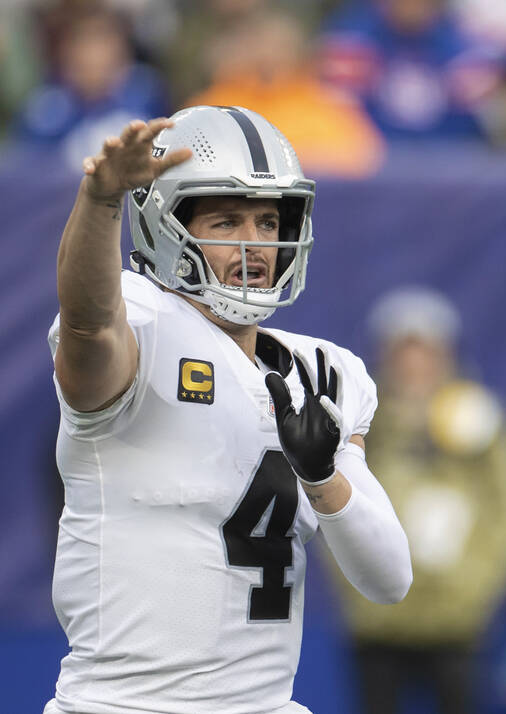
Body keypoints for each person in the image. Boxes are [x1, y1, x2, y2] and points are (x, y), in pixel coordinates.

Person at [47, 107, 414, 714]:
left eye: (269, 221)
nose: (256, 243)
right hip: (119, 705)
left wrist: (323, 480)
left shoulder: (325, 374)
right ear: (165, 228)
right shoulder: (142, 329)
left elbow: (388, 580)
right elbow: (88, 317)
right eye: (226, 220)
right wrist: (100, 201)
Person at [337, 287, 506, 714]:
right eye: (404, 351)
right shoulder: (362, 422)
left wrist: (474, 590)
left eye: (426, 351)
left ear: (446, 355)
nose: (415, 364)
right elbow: (336, 505)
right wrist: (360, 588)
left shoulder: (482, 422)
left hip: (455, 618)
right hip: (378, 621)